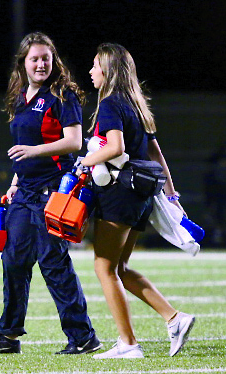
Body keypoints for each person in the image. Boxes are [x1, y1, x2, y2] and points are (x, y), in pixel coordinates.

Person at [0, 32, 101, 355]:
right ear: (23, 63)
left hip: (53, 192)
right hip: (25, 192)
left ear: (53, 60)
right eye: (35, 58)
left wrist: (32, 151)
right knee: (13, 260)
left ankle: (83, 336)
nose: (41, 63)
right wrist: (16, 180)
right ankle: (7, 336)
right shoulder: (19, 97)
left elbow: (74, 142)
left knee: (53, 264)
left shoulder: (62, 94)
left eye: (46, 57)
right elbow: (23, 153)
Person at [80, 43, 195, 359]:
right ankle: (174, 318)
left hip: (120, 192)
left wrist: (85, 161)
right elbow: (156, 154)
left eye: (95, 66)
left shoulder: (110, 104)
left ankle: (128, 343)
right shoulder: (137, 104)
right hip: (143, 194)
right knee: (120, 266)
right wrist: (172, 195)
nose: (91, 72)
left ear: (108, 70)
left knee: (104, 267)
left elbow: (115, 148)